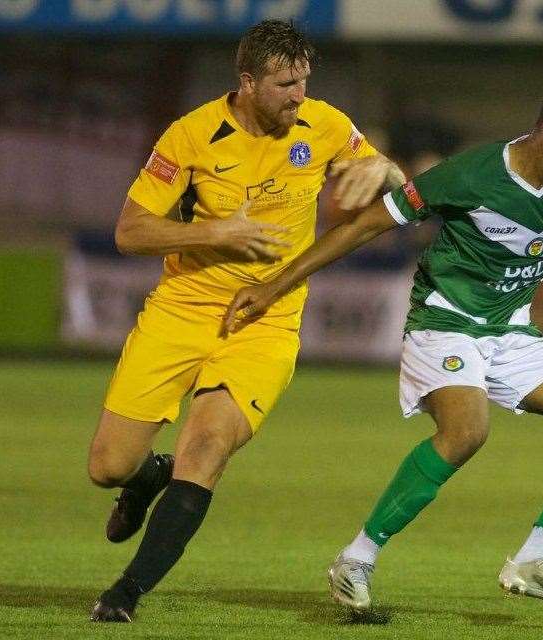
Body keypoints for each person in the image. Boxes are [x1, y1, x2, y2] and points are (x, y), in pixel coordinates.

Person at [223, 78, 543, 611]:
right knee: (466, 431)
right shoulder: (471, 176)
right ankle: (356, 558)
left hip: (510, 330)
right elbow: (366, 225)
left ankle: (534, 559)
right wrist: (274, 286)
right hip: (444, 322)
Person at [87, 20, 405, 622]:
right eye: (286, 84)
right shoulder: (192, 136)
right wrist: (216, 231)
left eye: (304, 81)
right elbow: (129, 231)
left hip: (266, 320)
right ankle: (148, 474)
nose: (298, 95)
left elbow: (389, 174)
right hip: (181, 310)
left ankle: (125, 593)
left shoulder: (326, 123)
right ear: (248, 81)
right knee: (108, 467)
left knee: (207, 446)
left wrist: (382, 170)